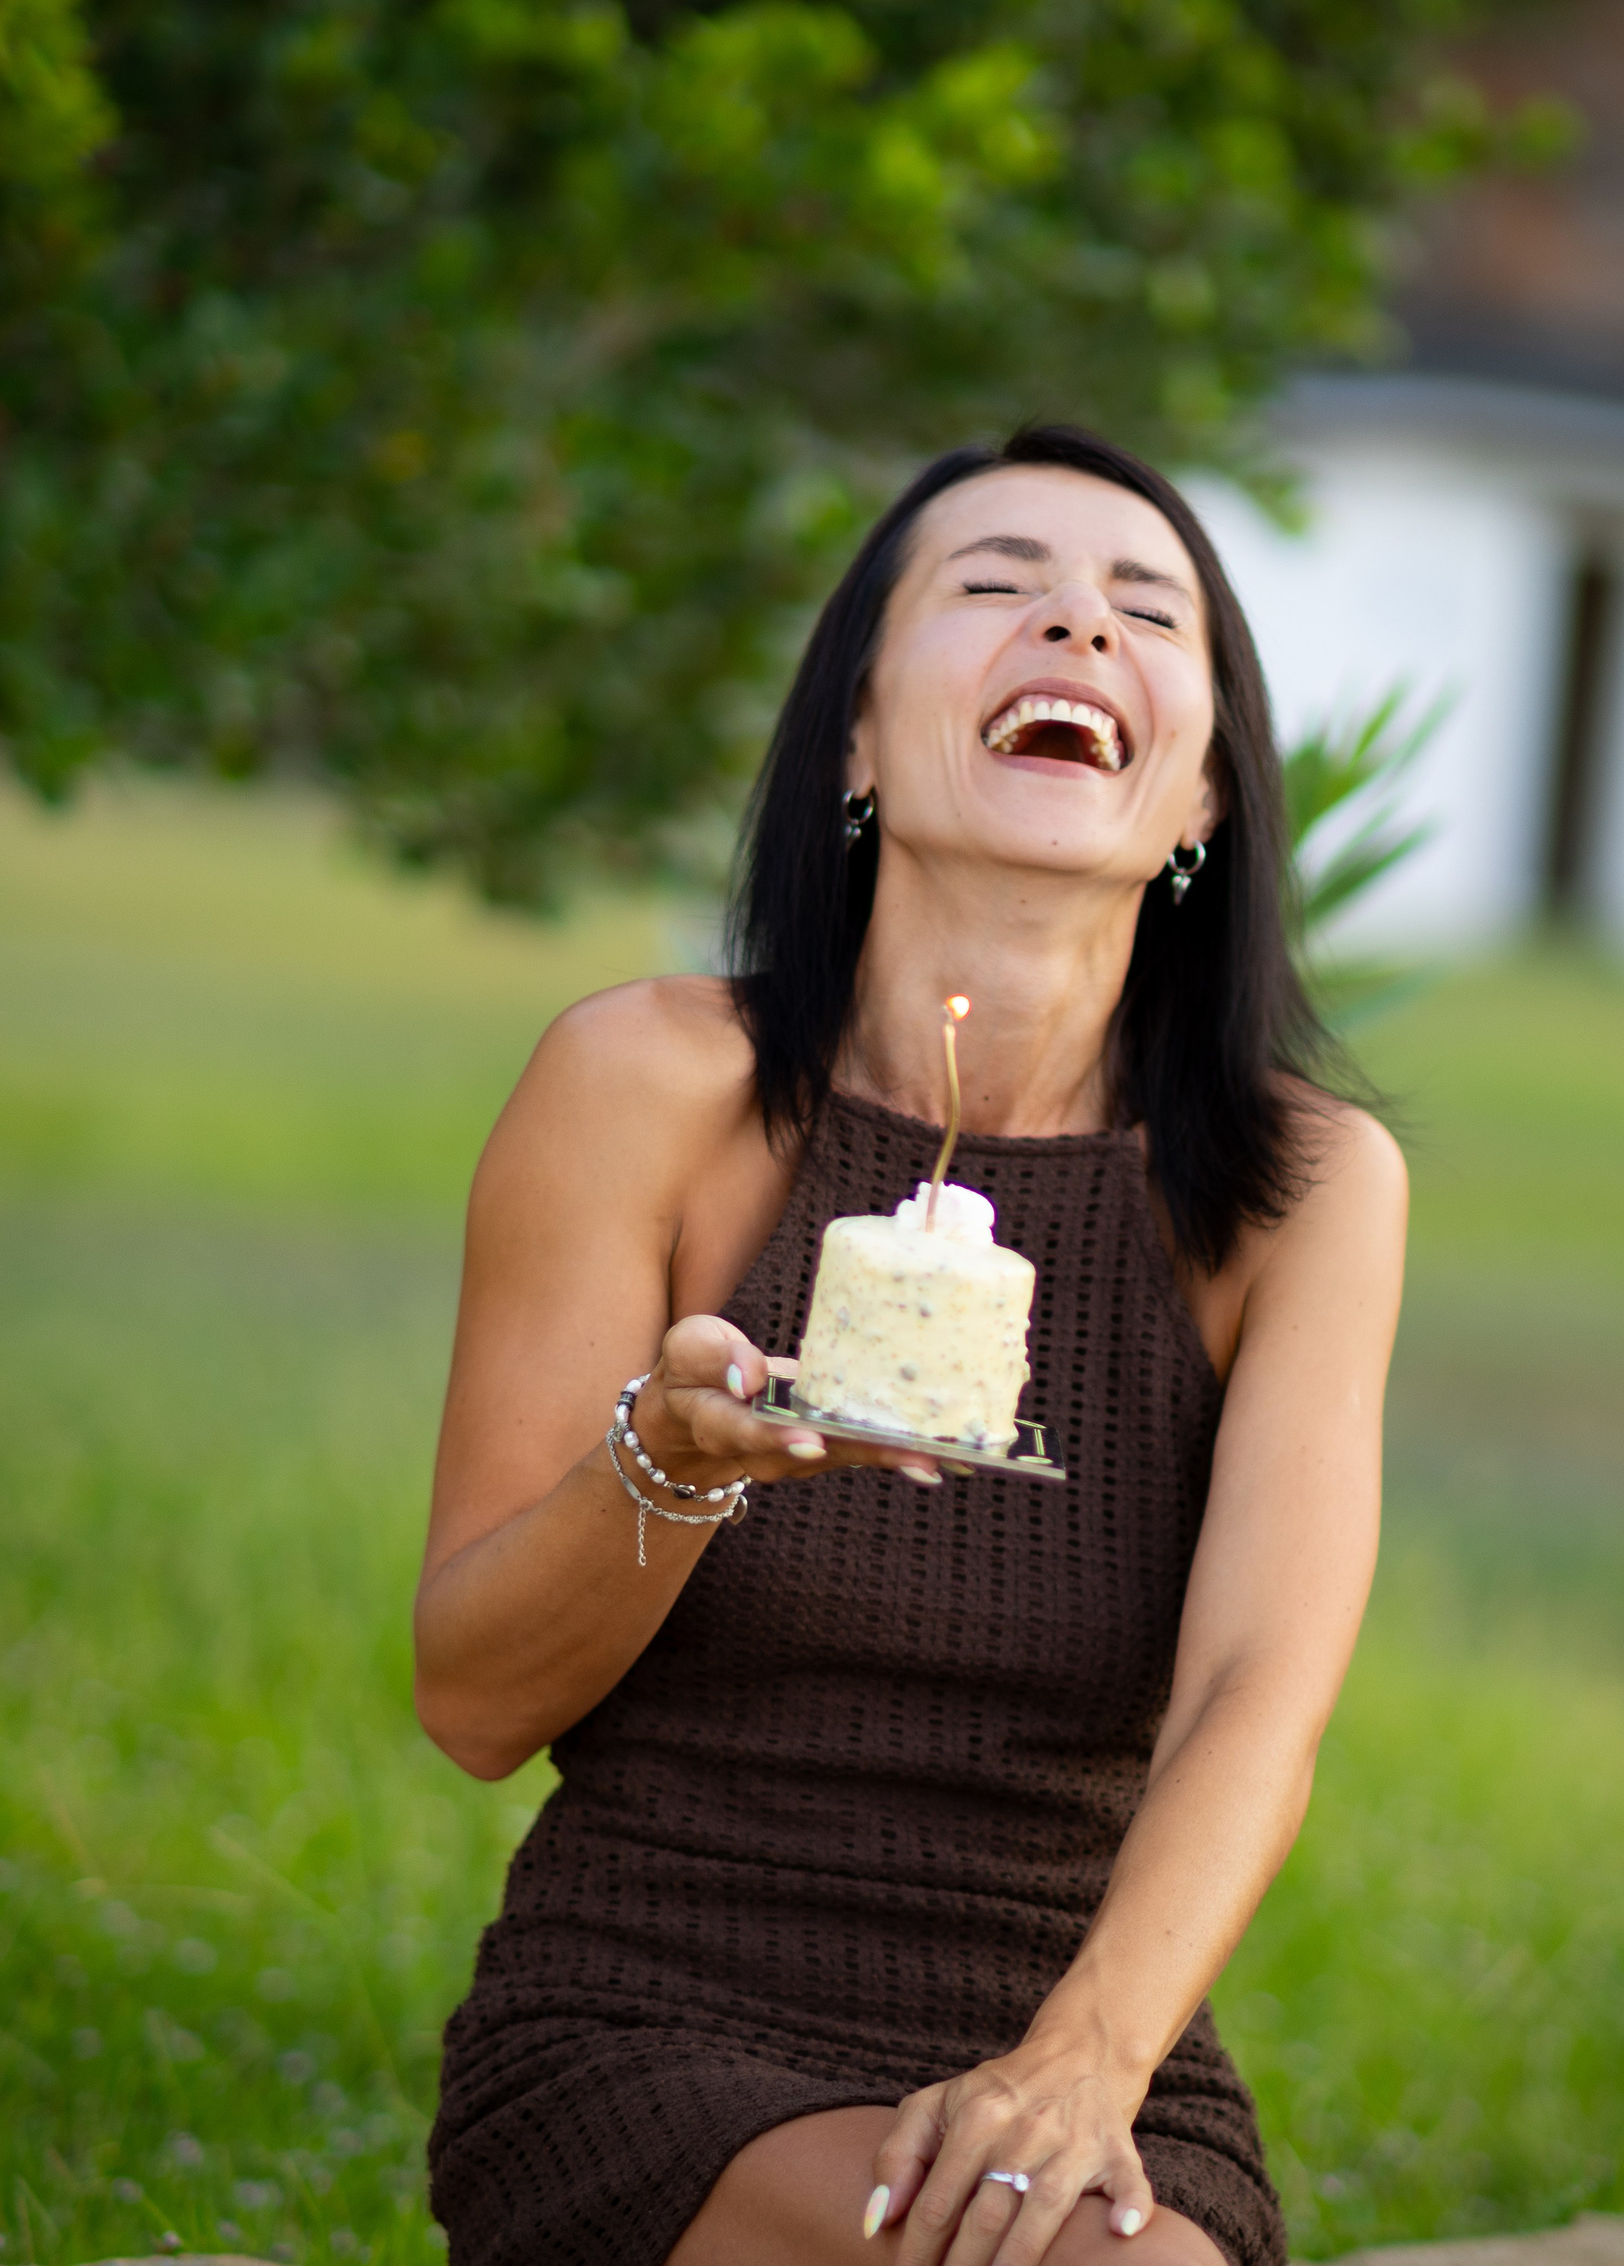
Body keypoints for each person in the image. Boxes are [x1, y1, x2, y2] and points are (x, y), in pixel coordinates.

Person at [416, 424, 1406, 2266]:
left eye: (1143, 610)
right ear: (857, 738)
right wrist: (668, 1464)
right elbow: (472, 1701)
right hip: (660, 2016)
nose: (1077, 630)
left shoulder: (1303, 1191)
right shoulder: (644, 1088)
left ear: (1200, 795)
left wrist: (1082, 2065)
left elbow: (1258, 1692)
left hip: (1084, 2047)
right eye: (995, 583)